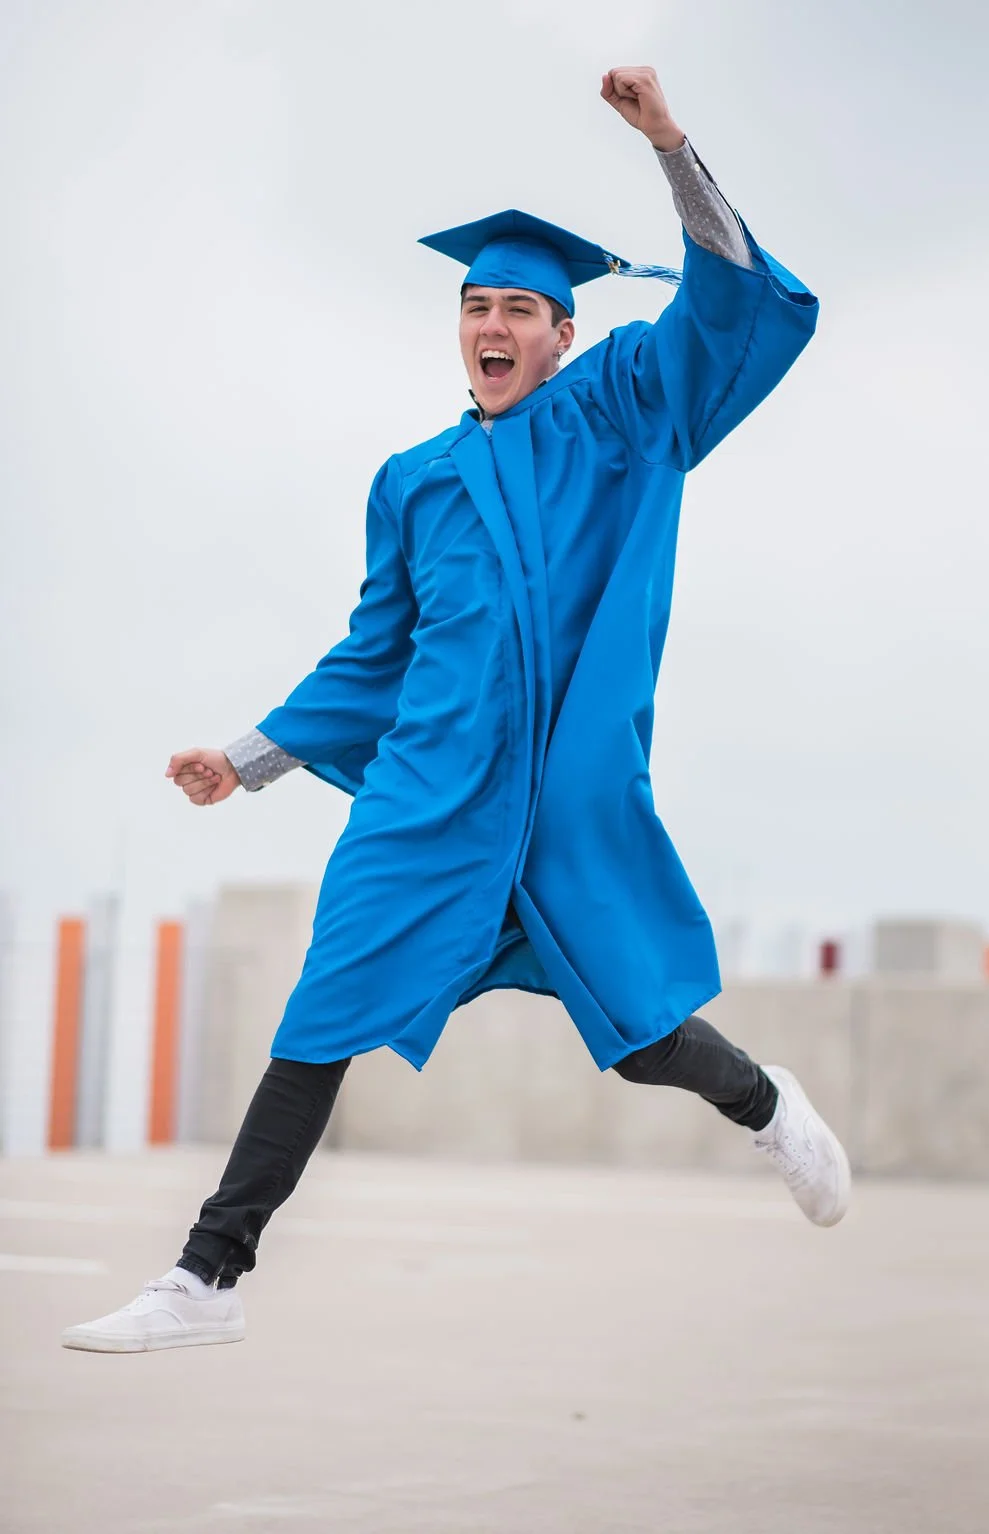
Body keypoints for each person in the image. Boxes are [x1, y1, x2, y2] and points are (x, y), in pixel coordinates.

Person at [62, 66, 849, 1355]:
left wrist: (669, 145)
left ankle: (766, 1105)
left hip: (558, 796)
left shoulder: (624, 409)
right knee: (325, 1005)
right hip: (430, 793)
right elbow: (376, 653)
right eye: (475, 304)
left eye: (521, 307)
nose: (493, 324)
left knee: (643, 1033)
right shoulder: (413, 480)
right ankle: (207, 1279)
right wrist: (246, 760)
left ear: (564, 334)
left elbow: (723, 303)